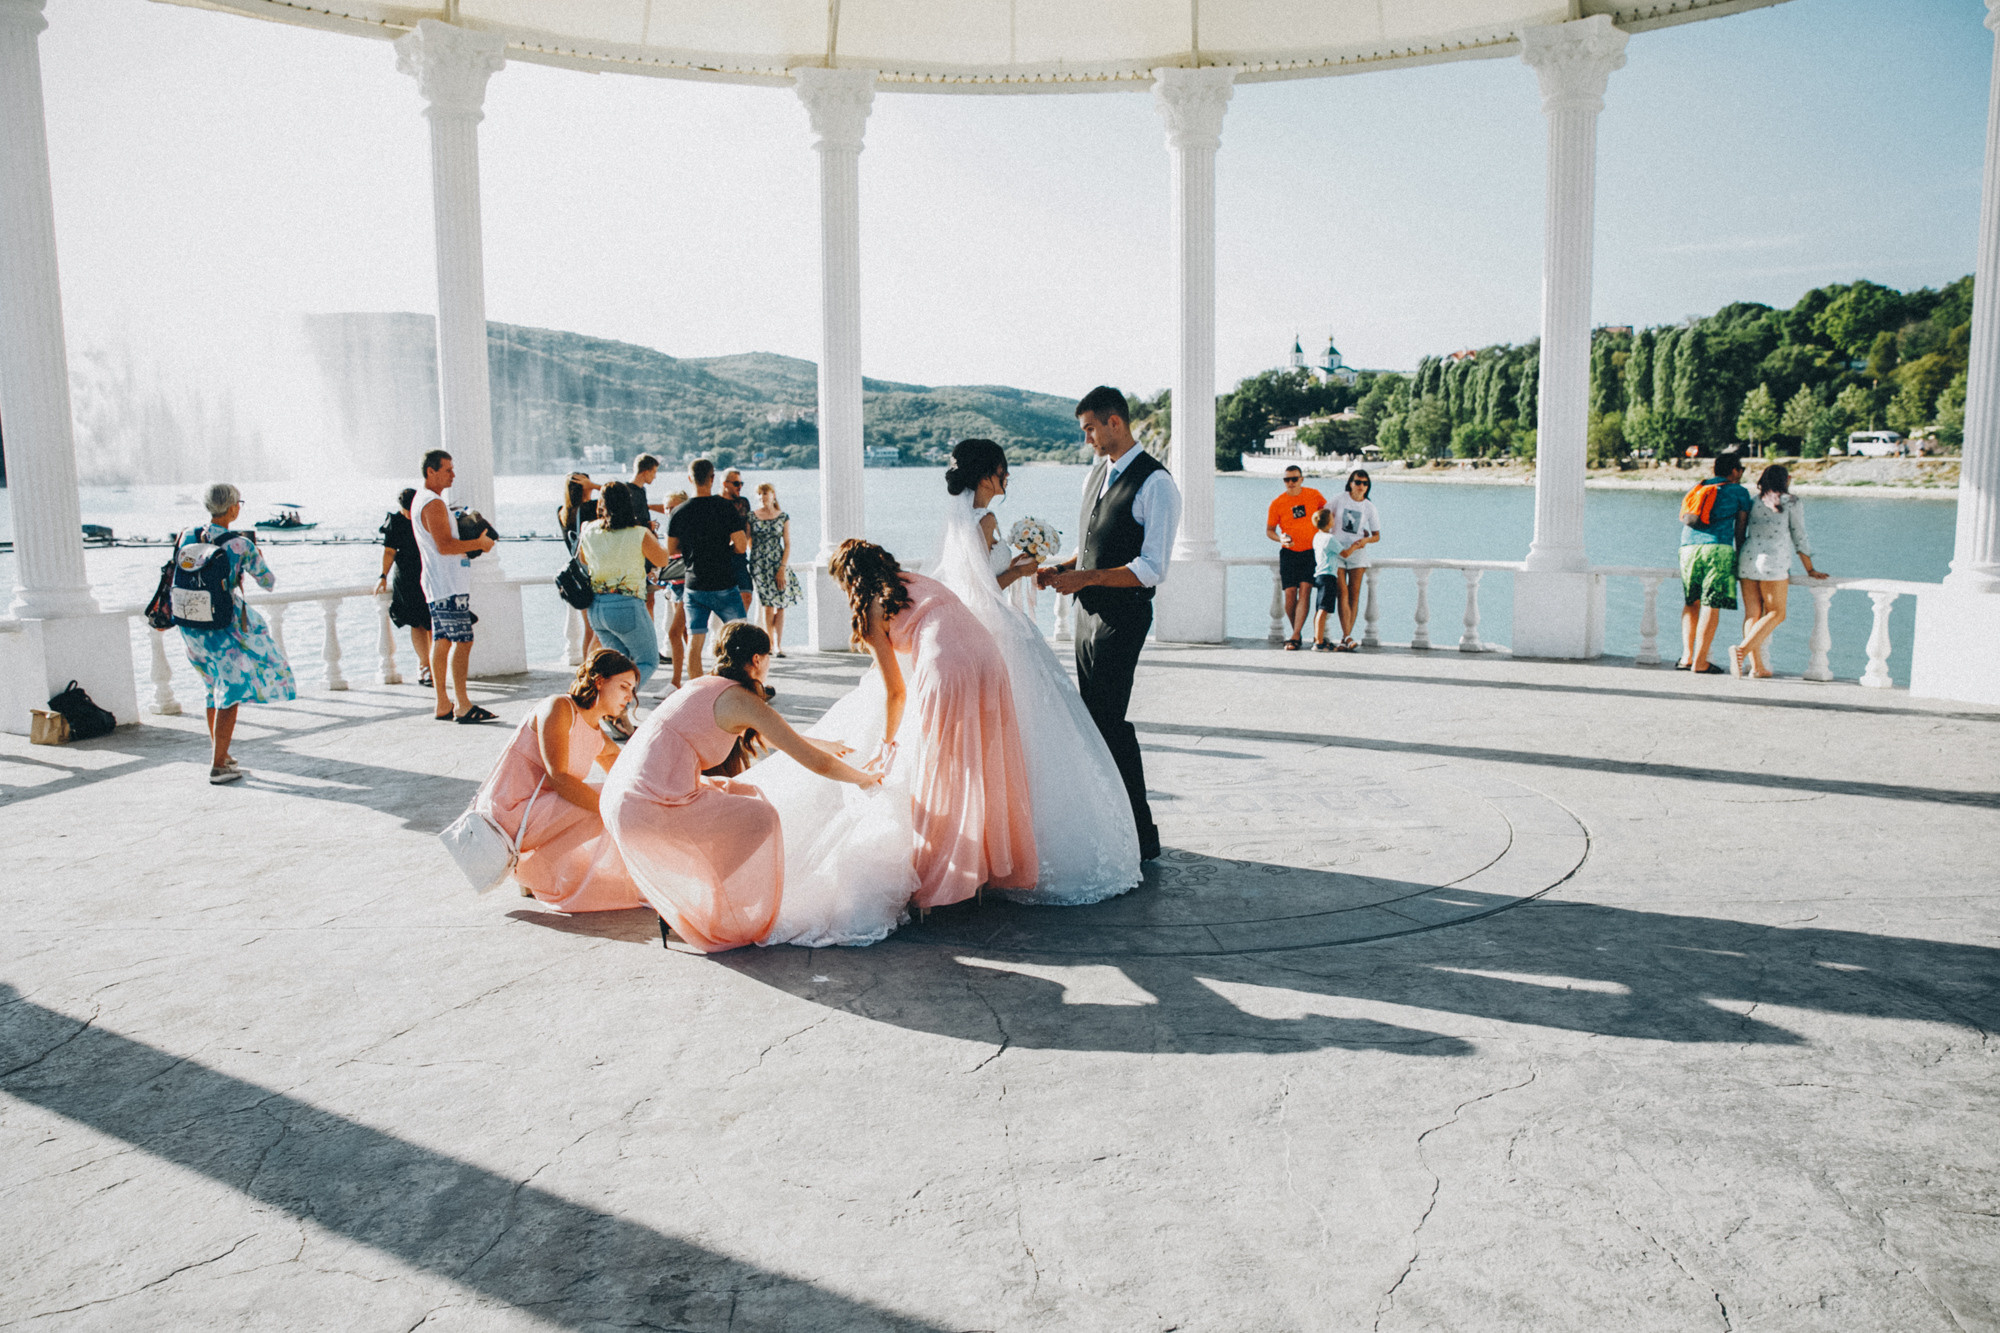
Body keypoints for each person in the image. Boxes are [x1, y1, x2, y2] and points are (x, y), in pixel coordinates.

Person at [756, 539, 1038, 919]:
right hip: (988, 657)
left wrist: (888, 741)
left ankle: (939, 880)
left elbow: (895, 691)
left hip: (948, 669)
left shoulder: (871, 606)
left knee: (939, 772)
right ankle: (989, 871)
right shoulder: (915, 580)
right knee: (986, 763)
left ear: (849, 579)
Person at [930, 437, 1141, 904]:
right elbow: (988, 583)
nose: (1007, 478)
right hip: (999, 627)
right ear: (987, 475)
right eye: (1003, 470)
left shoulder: (962, 518)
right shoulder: (983, 519)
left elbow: (969, 581)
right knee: (1033, 728)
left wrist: (1020, 564)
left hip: (979, 624)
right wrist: (1022, 569)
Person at [600, 622, 881, 953]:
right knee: (760, 818)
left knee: (744, 794)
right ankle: (707, 901)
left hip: (623, 794)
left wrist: (828, 744)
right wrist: (864, 778)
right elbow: (812, 762)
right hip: (650, 803)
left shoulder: (706, 686)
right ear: (758, 659)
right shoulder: (740, 698)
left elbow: (774, 734)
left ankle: (699, 897)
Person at [1036, 386, 1181, 862]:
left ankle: (1141, 834)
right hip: (1086, 615)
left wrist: (1087, 577)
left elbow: (1152, 566)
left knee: (1109, 721)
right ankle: (1112, 826)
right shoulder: (1095, 475)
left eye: (1091, 429)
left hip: (1124, 616)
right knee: (1094, 721)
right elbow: (1093, 543)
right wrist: (1064, 569)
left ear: (1114, 422)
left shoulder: (1157, 484)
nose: (1088, 440)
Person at [477, 649, 645, 912]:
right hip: (509, 812)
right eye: (623, 686)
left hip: (535, 813)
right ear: (599, 681)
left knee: (622, 797)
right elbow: (560, 779)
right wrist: (614, 809)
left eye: (632, 690)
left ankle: (534, 871)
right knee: (610, 802)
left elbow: (628, 770)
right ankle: (532, 871)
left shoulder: (594, 730)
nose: (628, 697)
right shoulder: (559, 707)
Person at [174, 483, 297, 784]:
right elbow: (267, 581)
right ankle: (218, 766)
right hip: (222, 623)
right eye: (238, 503)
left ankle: (222, 753)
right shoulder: (241, 544)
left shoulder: (186, 534)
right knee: (229, 692)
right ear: (232, 508)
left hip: (191, 623)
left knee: (211, 687)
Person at [411, 449, 499, 722]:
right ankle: (462, 704)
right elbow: (445, 546)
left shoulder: (421, 501)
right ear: (431, 471)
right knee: (463, 639)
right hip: (448, 585)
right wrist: (480, 544)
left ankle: (442, 702)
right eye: (447, 470)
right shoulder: (433, 503)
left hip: (438, 584)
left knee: (443, 639)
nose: (453, 475)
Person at [577, 482, 672, 719]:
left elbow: (584, 560)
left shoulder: (588, 529)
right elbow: (662, 560)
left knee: (615, 667)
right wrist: (652, 536)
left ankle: (607, 711)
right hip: (627, 605)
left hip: (597, 608)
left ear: (602, 505)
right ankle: (616, 706)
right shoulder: (639, 533)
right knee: (648, 660)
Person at [1732, 464, 1828, 678]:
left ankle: (1757, 667)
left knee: (1752, 614)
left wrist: (1738, 557)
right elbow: (1799, 535)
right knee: (1777, 613)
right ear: (1786, 480)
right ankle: (1741, 651)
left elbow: (1740, 530)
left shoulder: (1754, 501)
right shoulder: (1791, 501)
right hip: (1772, 561)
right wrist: (1809, 568)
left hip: (1747, 558)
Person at [665, 457, 748, 678]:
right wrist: (724, 548)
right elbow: (741, 546)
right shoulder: (725, 507)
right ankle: (742, 688)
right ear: (713, 478)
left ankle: (696, 693)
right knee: (741, 638)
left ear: (690, 478)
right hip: (724, 583)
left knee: (695, 641)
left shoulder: (679, 512)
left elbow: (671, 549)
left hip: (694, 585)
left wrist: (693, 548)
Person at [1677, 451, 1753, 675]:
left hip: (1687, 548)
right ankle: (1701, 661)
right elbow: (1740, 530)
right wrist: (1740, 558)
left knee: (1692, 602)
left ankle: (1687, 656)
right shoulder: (1739, 492)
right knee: (1711, 604)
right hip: (1717, 549)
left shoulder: (1698, 487)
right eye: (1741, 470)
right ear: (1734, 471)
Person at [374, 487, 432, 687]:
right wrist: (383, 576)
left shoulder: (424, 516)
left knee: (431, 622)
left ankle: (435, 664)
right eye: (407, 510)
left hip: (427, 573)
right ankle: (425, 666)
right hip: (407, 576)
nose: (410, 513)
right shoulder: (396, 523)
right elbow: (389, 552)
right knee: (416, 622)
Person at [1265, 465, 1327, 650]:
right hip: (1289, 553)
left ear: (1301, 479)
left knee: (1305, 590)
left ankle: (1294, 635)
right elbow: (1269, 530)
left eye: (1294, 479)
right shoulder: (1278, 503)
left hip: (1310, 551)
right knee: (1290, 594)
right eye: (1287, 480)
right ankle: (1296, 633)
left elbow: (1328, 515)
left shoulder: (1314, 495)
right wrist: (1280, 538)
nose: (1290, 483)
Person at [1318, 468, 1380, 652]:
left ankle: (1347, 637)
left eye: (1365, 483)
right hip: (1338, 551)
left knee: (1354, 593)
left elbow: (1377, 535)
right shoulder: (1339, 499)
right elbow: (1321, 516)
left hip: (1357, 554)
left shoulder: (1369, 507)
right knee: (1342, 592)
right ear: (1350, 483)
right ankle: (1347, 636)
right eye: (1357, 482)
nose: (1361, 486)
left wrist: (1366, 539)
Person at [747, 482, 802, 657]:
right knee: (767, 605)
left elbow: (787, 544)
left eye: (765, 493)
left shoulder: (783, 516)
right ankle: (769, 644)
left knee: (781, 605)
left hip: (778, 563)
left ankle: (778, 645)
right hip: (759, 565)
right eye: (759, 494)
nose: (762, 497)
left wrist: (782, 568)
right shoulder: (752, 516)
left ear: (773, 495)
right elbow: (748, 541)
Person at [556, 473, 601, 658]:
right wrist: (596, 485)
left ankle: (585, 669)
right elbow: (619, 494)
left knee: (588, 629)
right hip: (594, 572)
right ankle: (591, 669)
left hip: (578, 574)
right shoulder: (591, 508)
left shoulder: (562, 511)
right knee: (597, 630)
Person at [660, 489, 690, 687]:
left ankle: (676, 681)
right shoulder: (670, 529)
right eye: (667, 508)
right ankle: (693, 672)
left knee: (674, 632)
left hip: (688, 585)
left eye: (674, 507)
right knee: (684, 633)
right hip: (674, 586)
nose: (670, 511)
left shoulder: (688, 529)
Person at [722, 468, 755, 617]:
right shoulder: (716, 503)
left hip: (740, 557)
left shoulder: (743, 503)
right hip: (721, 558)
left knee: (746, 595)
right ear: (725, 484)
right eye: (736, 483)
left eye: (741, 483)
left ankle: (738, 629)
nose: (740, 486)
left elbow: (749, 531)